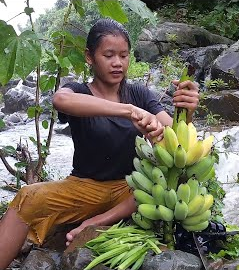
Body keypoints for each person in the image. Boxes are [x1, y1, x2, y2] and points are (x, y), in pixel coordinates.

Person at [0, 18, 199, 269]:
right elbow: (61, 100)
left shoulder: (139, 93)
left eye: (124, 55)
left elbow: (175, 137)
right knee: (27, 198)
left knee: (162, 182)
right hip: (84, 187)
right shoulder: (80, 91)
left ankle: (95, 222)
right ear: (89, 57)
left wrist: (187, 111)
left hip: (131, 189)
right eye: (108, 55)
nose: (118, 63)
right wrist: (127, 110)